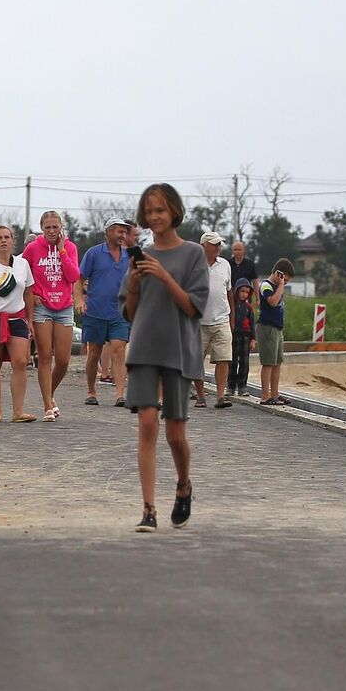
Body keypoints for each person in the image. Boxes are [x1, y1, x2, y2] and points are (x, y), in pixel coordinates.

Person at [123, 183, 207, 532]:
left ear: (174, 211)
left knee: (175, 434)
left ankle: (184, 484)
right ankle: (148, 509)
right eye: (149, 211)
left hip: (178, 349)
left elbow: (192, 307)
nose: (154, 217)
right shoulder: (140, 255)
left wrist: (164, 276)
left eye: (160, 210)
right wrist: (134, 283)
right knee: (146, 424)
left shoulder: (193, 255)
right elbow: (129, 313)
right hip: (143, 347)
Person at [0, 224, 36, 423]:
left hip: (17, 318)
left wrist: (30, 321)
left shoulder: (22, 265)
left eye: (7, 237)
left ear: (13, 241)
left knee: (20, 362)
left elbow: (29, 293)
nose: (3, 240)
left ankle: (18, 411)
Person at [23, 210, 80, 422]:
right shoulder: (32, 249)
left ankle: (50, 393)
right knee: (45, 356)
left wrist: (62, 251)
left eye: (55, 227)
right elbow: (22, 273)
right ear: (41, 228)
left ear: (61, 227)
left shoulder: (70, 247)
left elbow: (73, 276)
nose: (52, 231)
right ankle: (47, 405)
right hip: (42, 307)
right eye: (48, 227)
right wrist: (31, 295)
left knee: (64, 360)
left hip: (64, 306)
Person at [78, 218, 134, 407]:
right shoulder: (94, 253)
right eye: (119, 231)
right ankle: (91, 391)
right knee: (94, 353)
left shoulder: (129, 256)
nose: (123, 236)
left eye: (125, 232)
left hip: (120, 312)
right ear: (109, 232)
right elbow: (79, 278)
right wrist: (78, 299)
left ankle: (119, 394)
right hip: (95, 311)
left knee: (119, 349)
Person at [192, 232, 235, 408]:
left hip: (221, 319)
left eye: (219, 244)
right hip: (198, 322)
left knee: (223, 358)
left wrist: (232, 318)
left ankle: (220, 396)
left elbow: (229, 291)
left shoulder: (225, 265)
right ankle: (201, 396)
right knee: (195, 361)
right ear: (204, 246)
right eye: (214, 244)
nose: (218, 247)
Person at [258, 258, 293, 406]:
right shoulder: (266, 285)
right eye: (286, 279)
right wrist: (280, 285)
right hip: (267, 328)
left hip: (277, 328)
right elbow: (272, 301)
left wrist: (281, 285)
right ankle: (265, 396)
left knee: (277, 362)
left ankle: (275, 393)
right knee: (268, 363)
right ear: (280, 274)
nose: (286, 283)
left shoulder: (278, 286)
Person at [229, 260, 257, 398]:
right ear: (237, 291)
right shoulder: (232, 306)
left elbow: (252, 324)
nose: (244, 294)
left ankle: (242, 387)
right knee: (232, 362)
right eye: (242, 291)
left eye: (247, 292)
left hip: (246, 336)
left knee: (244, 363)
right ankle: (231, 386)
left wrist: (253, 339)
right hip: (234, 335)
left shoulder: (248, 308)